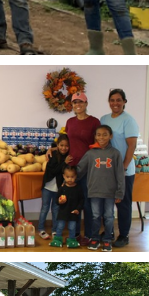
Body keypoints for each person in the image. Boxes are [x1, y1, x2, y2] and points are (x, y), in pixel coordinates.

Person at [76, 125, 125, 252]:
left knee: (109, 217)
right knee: (95, 216)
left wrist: (120, 193)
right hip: (94, 191)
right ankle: (95, 238)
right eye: (98, 135)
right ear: (95, 136)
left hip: (110, 192)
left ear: (110, 136)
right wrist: (69, 180)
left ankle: (107, 239)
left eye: (105, 134)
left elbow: (120, 174)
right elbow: (80, 169)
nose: (101, 137)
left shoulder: (115, 154)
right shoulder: (90, 153)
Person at [59, 93, 101, 241]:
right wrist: (60, 153)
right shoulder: (70, 121)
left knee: (88, 204)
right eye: (75, 102)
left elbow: (99, 144)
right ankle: (75, 234)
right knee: (73, 203)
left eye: (81, 102)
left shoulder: (94, 122)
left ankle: (89, 235)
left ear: (86, 103)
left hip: (89, 169)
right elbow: (65, 142)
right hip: (72, 170)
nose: (78, 105)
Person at [100, 89, 139, 248]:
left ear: (124, 102)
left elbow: (132, 146)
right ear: (109, 102)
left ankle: (124, 235)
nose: (115, 103)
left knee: (123, 203)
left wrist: (123, 167)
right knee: (106, 203)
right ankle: (108, 231)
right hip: (106, 170)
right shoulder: (104, 119)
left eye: (118, 100)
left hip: (124, 170)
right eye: (112, 100)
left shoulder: (128, 120)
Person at [38, 135, 71, 240]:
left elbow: (67, 173)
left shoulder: (68, 156)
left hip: (58, 189)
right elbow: (54, 171)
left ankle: (55, 230)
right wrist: (64, 163)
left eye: (66, 146)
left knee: (56, 209)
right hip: (47, 187)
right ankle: (41, 229)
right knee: (45, 208)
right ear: (57, 145)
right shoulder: (52, 155)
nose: (64, 148)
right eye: (61, 145)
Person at [53, 165, 85, 248]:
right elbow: (56, 199)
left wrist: (78, 209)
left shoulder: (78, 188)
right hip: (63, 211)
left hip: (73, 212)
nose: (70, 179)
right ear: (64, 176)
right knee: (60, 226)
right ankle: (57, 239)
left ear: (76, 176)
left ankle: (71, 240)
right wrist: (59, 201)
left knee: (72, 227)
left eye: (72, 177)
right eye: (67, 177)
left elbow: (82, 200)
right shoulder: (62, 188)